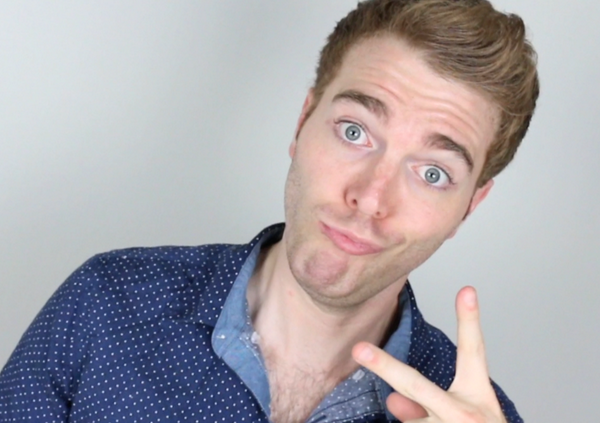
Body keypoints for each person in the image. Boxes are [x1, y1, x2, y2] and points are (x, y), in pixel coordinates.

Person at [0, 0, 538, 422]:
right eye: (355, 132)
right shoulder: (107, 304)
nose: (371, 198)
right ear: (302, 123)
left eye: (432, 173)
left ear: (469, 207)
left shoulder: (469, 415)